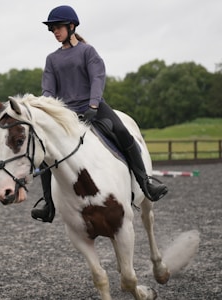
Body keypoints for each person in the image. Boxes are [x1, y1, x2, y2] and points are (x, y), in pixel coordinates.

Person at [31, 5, 168, 223]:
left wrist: (93, 106)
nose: (54, 32)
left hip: (92, 107)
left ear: (71, 26)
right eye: (52, 29)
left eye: (57, 27)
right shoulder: (52, 59)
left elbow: (97, 79)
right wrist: (46, 108)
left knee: (123, 133)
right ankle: (49, 204)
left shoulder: (88, 52)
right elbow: (48, 90)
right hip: (66, 113)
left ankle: (146, 183)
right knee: (48, 152)